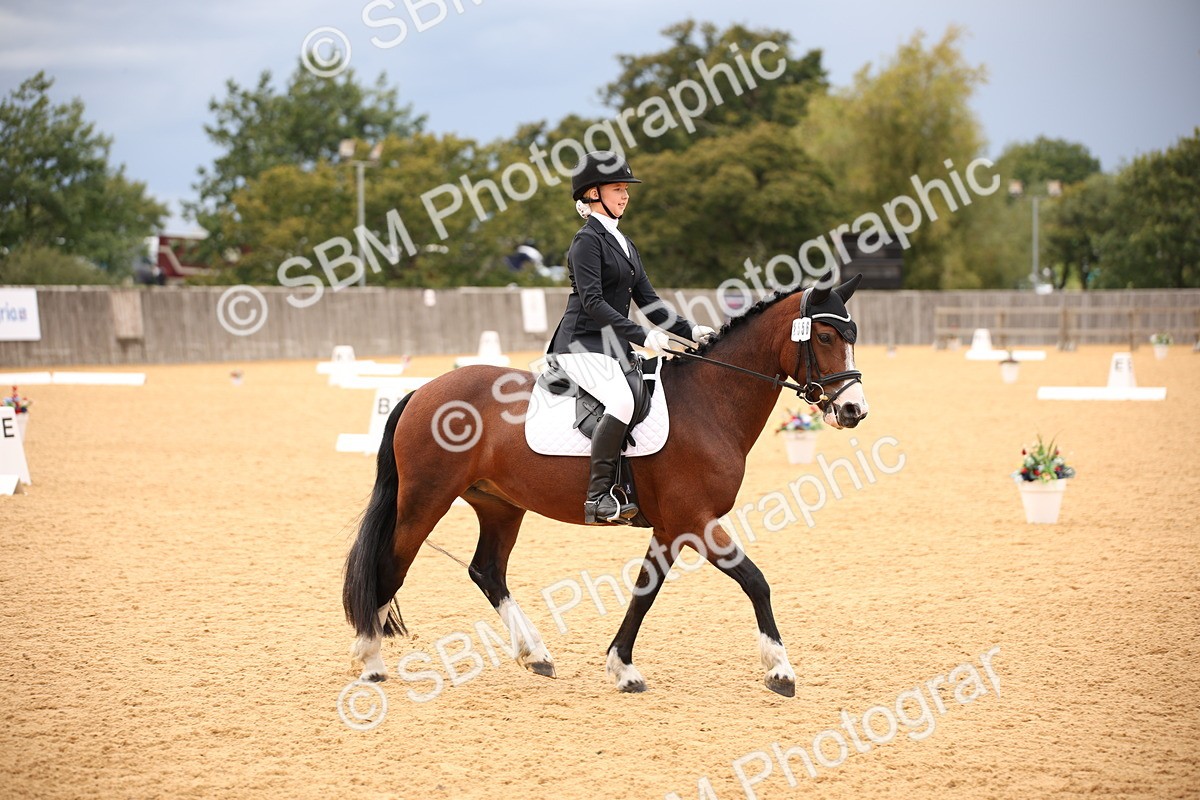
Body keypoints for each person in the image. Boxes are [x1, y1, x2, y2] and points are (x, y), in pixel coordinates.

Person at [546, 151, 716, 525]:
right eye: (617, 189)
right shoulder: (586, 242)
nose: (625, 196)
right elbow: (592, 303)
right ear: (593, 193)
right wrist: (643, 336)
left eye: (626, 189)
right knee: (622, 401)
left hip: (614, 348)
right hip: (579, 345)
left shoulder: (624, 243)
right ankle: (598, 498)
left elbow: (649, 302)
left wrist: (690, 331)